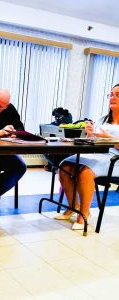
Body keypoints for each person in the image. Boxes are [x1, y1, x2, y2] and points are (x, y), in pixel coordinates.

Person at [55, 84, 119, 230]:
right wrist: (90, 134)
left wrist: (108, 138)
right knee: (65, 165)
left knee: (86, 172)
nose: (113, 98)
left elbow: (107, 140)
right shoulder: (103, 119)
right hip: (100, 155)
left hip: (116, 160)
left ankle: (84, 214)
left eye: (118, 95)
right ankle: (72, 207)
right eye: (111, 94)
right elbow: (96, 141)